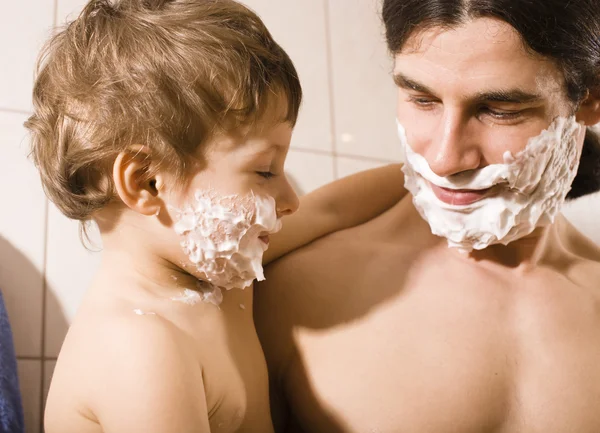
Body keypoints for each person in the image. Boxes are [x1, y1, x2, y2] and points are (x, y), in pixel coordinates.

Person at [24, 1, 405, 432]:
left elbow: (330, 209)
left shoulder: (220, 272)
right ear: (148, 182)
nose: (290, 199)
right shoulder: (140, 348)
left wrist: (425, 177)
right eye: (264, 171)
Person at [255, 1, 600, 431]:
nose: (443, 158)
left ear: (590, 98)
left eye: (499, 110)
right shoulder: (298, 290)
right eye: (422, 99)